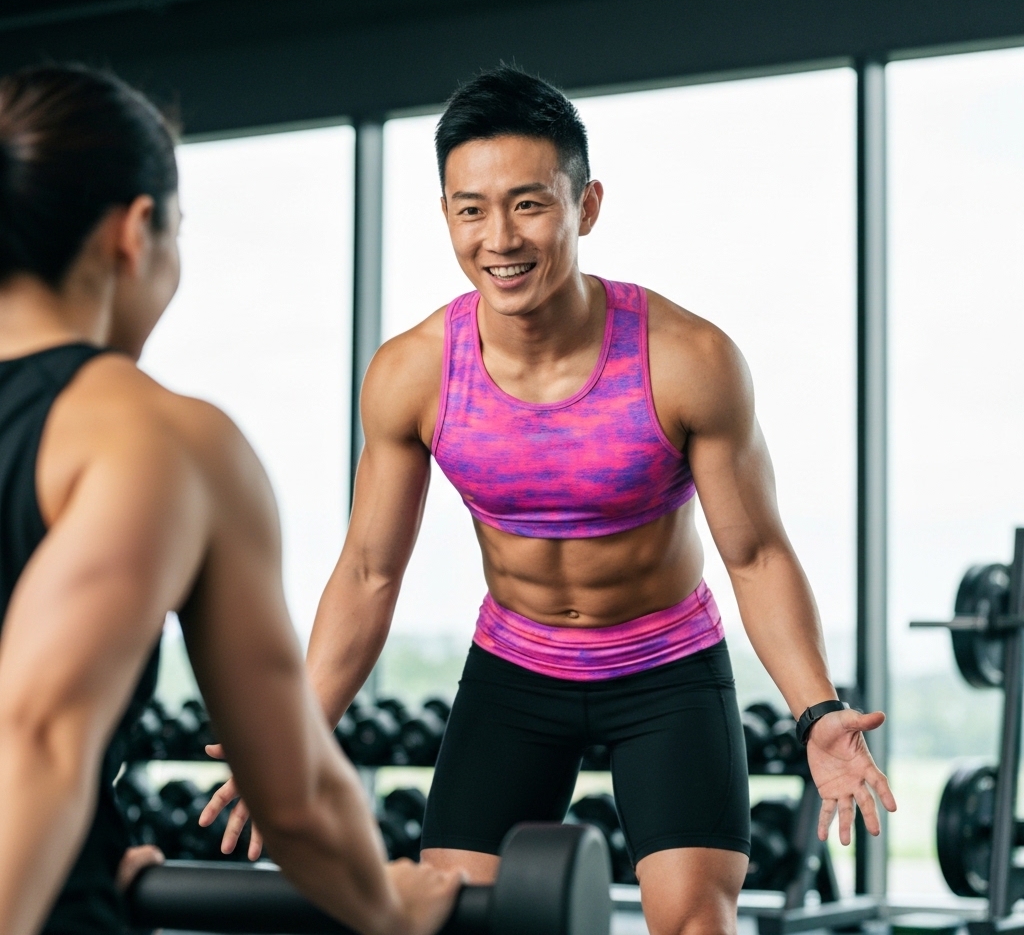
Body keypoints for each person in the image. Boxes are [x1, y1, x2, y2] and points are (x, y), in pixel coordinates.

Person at [204, 66, 896, 935]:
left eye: (529, 205)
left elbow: (755, 556)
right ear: (446, 214)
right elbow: (370, 571)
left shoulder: (688, 359)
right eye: (471, 209)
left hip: (665, 669)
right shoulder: (413, 373)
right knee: (456, 915)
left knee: (696, 925)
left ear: (586, 206)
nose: (500, 238)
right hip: (517, 670)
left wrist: (817, 710)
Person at [0, 64, 462, 935]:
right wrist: (391, 907)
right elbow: (290, 795)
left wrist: (88, 842)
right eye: (177, 232)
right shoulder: (152, 439)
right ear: (134, 232)